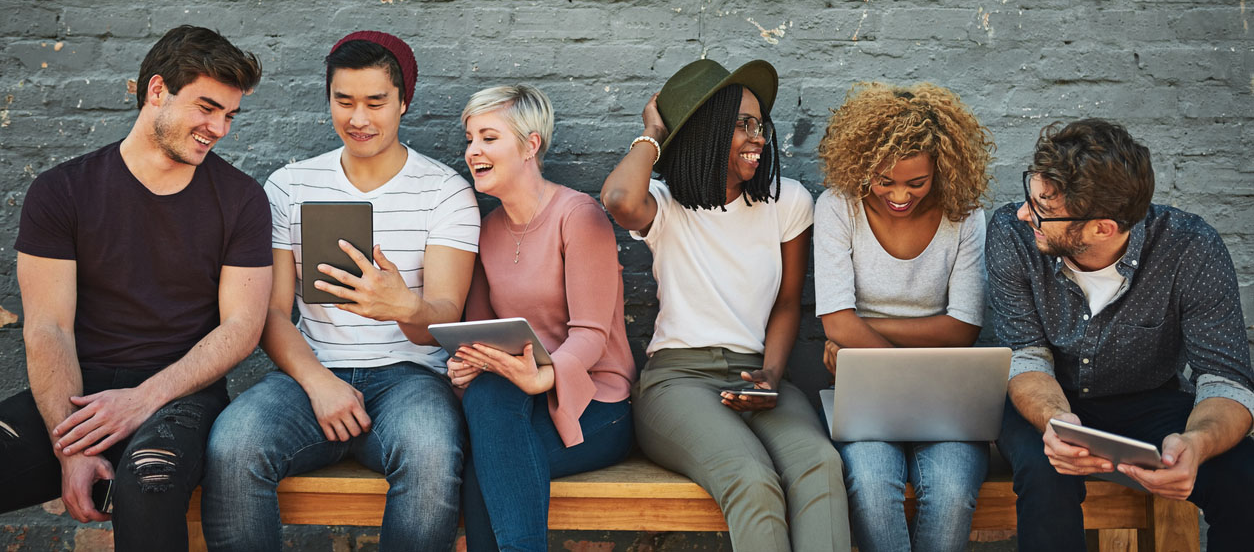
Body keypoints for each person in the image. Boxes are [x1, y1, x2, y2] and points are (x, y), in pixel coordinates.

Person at [201, 31, 479, 551]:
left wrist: (405, 306)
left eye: (376, 102)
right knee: (233, 445)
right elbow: (274, 314)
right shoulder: (290, 186)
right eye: (344, 101)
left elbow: (444, 317)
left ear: (404, 102)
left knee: (432, 454)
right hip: (310, 372)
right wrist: (318, 382)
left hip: (409, 379)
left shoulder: (445, 192)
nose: (359, 118)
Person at [0, 26, 270, 551]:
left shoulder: (240, 199)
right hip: (76, 392)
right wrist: (70, 448)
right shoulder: (63, 191)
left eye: (229, 116)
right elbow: (47, 327)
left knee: (150, 482)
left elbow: (242, 327)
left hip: (180, 395)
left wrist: (142, 400)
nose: (218, 128)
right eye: (206, 108)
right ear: (156, 91)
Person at [600, 58, 849, 552]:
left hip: (758, 374)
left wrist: (772, 377)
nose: (758, 137)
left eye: (761, 125)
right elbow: (619, 199)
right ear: (708, 132)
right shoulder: (666, 204)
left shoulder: (788, 201)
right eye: (742, 125)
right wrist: (653, 131)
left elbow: (786, 304)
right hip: (677, 382)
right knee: (751, 478)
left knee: (821, 466)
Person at [988, 119, 1254, 552]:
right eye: (1029, 196)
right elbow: (1028, 355)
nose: (1024, 213)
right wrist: (1058, 422)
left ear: (1102, 229)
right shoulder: (1012, 234)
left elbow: (1226, 381)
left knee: (1245, 478)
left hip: (1150, 400)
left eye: (1042, 208)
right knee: (1045, 468)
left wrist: (1196, 443)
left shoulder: (1191, 247)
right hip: (1048, 398)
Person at [449, 84, 636, 552]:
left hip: (596, 403)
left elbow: (592, 335)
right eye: (470, 139)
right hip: (514, 403)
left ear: (531, 145)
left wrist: (544, 377)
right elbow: (480, 335)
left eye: (488, 138)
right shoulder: (486, 230)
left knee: (486, 467)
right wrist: (467, 365)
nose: (473, 151)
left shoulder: (579, 216)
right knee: (488, 396)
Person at [814, 82, 995, 552]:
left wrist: (861, 338)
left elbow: (963, 328)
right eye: (884, 181)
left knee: (953, 493)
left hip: (945, 395)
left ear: (942, 169)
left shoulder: (964, 215)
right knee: (871, 491)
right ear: (861, 168)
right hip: (863, 395)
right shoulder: (838, 207)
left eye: (917, 183)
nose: (899, 196)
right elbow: (834, 324)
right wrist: (849, 334)